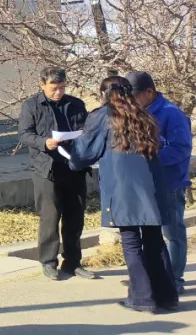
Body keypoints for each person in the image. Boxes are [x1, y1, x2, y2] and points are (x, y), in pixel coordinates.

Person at [66, 76, 178, 313]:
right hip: (152, 185)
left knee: (131, 241)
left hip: (123, 187)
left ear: (104, 94)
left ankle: (142, 297)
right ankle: (166, 296)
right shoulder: (144, 114)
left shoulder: (103, 116)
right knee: (155, 240)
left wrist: (72, 157)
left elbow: (84, 152)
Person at [18, 66, 94, 280]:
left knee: (75, 216)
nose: (58, 92)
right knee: (50, 217)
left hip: (74, 167)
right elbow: (24, 134)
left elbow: (86, 130)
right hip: (46, 168)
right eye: (54, 88)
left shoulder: (76, 104)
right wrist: (44, 142)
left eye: (62, 87)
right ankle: (48, 262)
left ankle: (73, 262)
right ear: (42, 85)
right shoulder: (31, 105)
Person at [127, 71, 192, 294]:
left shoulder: (171, 114)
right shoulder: (138, 112)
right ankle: (156, 276)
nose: (131, 101)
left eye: (135, 96)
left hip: (169, 183)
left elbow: (181, 149)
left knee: (173, 233)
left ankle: (175, 278)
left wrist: (149, 159)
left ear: (149, 92)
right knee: (151, 234)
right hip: (145, 183)